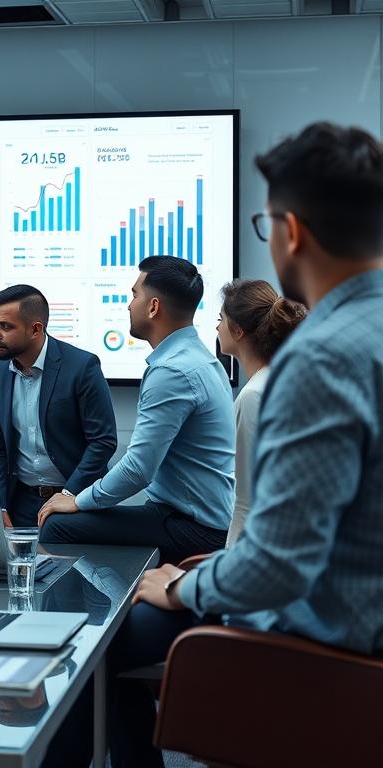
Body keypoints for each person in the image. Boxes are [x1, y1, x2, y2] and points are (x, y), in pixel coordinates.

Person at [49, 122, 383, 767]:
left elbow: (277, 568)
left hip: (328, 641)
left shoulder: (317, 362)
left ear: (291, 232)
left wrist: (178, 589)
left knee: (98, 638)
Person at [38, 257, 235, 564]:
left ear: (153, 307)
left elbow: (139, 470)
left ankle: (99, 611)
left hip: (193, 528)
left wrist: (77, 499)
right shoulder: (200, 358)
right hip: (196, 518)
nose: (130, 305)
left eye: (134, 295)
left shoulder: (172, 370)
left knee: (58, 527)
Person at [0, 284, 117, 527]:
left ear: (36, 329)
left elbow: (103, 441)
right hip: (20, 504)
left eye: (5, 326)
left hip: (77, 502)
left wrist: (69, 494)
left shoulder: (82, 366)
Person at [216, 279, 306, 545]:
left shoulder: (254, 395)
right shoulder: (284, 379)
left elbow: (247, 501)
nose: (217, 327)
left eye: (220, 319)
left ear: (238, 331)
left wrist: (229, 570)